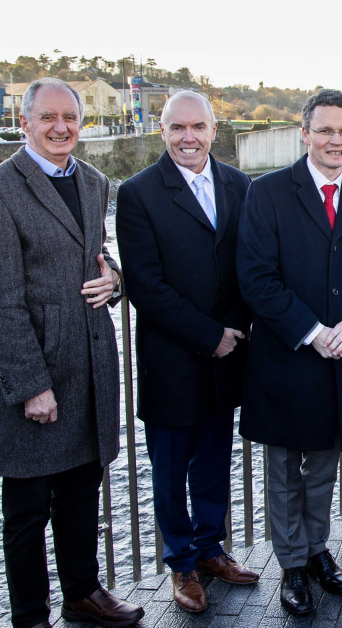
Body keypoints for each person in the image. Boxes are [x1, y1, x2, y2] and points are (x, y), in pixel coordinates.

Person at [0, 77, 141, 628]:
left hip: (88, 362)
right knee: (26, 507)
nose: (60, 127)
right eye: (48, 118)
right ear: (25, 122)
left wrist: (113, 275)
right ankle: (31, 617)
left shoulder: (92, 181)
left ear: (82, 123)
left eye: (70, 117)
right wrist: (31, 385)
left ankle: (82, 593)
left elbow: (90, 251)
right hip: (36, 370)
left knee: (82, 491)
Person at [236, 88, 342, 615]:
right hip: (287, 356)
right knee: (283, 470)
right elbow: (256, 279)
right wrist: (312, 330)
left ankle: (316, 549)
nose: (335, 140)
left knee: (325, 464)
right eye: (325, 130)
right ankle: (292, 565)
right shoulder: (268, 193)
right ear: (305, 133)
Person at [115, 91, 259, 614]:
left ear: (214, 130)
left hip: (229, 355)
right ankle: (180, 564)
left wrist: (235, 329)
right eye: (177, 128)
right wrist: (210, 335)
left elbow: (253, 266)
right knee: (170, 469)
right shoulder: (138, 194)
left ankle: (210, 550)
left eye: (198, 127)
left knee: (215, 463)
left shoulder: (240, 185)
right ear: (162, 131)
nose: (188, 137)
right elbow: (147, 287)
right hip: (173, 358)